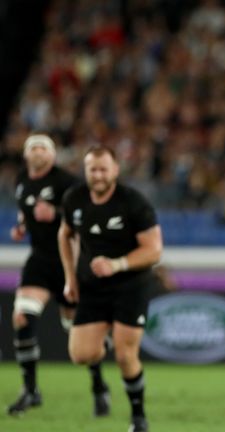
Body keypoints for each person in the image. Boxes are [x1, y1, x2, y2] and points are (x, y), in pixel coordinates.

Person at [58, 146, 163, 432]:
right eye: (93, 169)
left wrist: (116, 264)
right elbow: (64, 234)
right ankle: (101, 359)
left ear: (115, 170)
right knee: (81, 355)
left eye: (104, 168)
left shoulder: (133, 202)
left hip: (131, 285)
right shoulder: (74, 199)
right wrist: (69, 277)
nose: (99, 175)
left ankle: (138, 417)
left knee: (125, 354)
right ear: (85, 170)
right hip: (92, 287)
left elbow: (154, 250)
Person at [7, 134, 110, 417]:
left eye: (44, 147)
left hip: (69, 261)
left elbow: (87, 213)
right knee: (21, 318)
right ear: (27, 155)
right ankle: (31, 390)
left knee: (81, 338)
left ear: (52, 155)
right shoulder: (21, 180)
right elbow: (26, 211)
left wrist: (55, 214)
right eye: (33, 147)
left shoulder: (67, 181)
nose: (38, 151)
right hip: (39, 260)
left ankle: (99, 386)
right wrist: (22, 226)